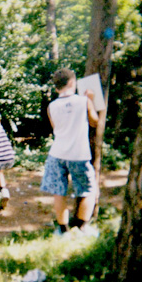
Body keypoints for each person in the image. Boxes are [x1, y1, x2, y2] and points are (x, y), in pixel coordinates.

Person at [39, 68, 99, 237]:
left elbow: (56, 128)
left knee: (59, 192)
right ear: (73, 82)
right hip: (79, 154)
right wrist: (91, 101)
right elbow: (95, 122)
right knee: (88, 190)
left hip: (57, 153)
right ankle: (82, 227)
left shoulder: (51, 106)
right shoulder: (83, 101)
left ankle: (62, 230)